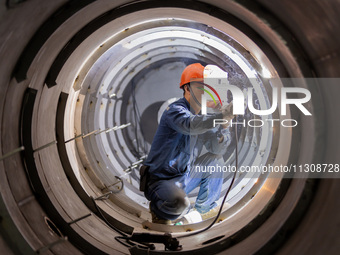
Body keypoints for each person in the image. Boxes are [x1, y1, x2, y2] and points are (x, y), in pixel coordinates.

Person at [140, 63, 234, 224]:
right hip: (162, 180)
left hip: (185, 176)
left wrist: (224, 126)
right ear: (188, 89)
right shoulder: (175, 110)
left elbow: (217, 148)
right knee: (178, 204)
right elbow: (190, 124)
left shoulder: (203, 118)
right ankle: (159, 208)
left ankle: (203, 211)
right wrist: (221, 116)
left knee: (215, 159)